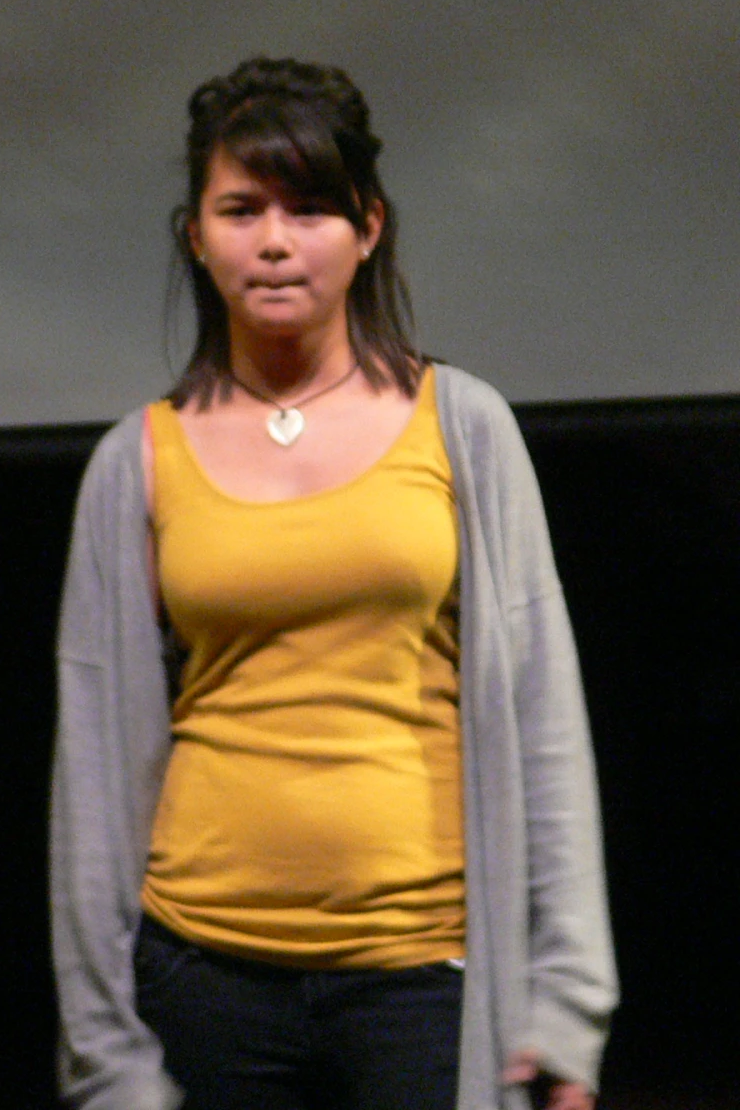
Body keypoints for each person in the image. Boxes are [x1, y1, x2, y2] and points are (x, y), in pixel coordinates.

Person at [48, 58, 616, 1110]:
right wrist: (105, 1054)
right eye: (240, 208)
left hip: (424, 977)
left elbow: (545, 717)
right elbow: (94, 769)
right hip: (201, 976)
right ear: (194, 233)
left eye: (309, 209)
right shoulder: (136, 460)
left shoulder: (464, 426)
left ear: (368, 226)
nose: (272, 239)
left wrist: (566, 1004)